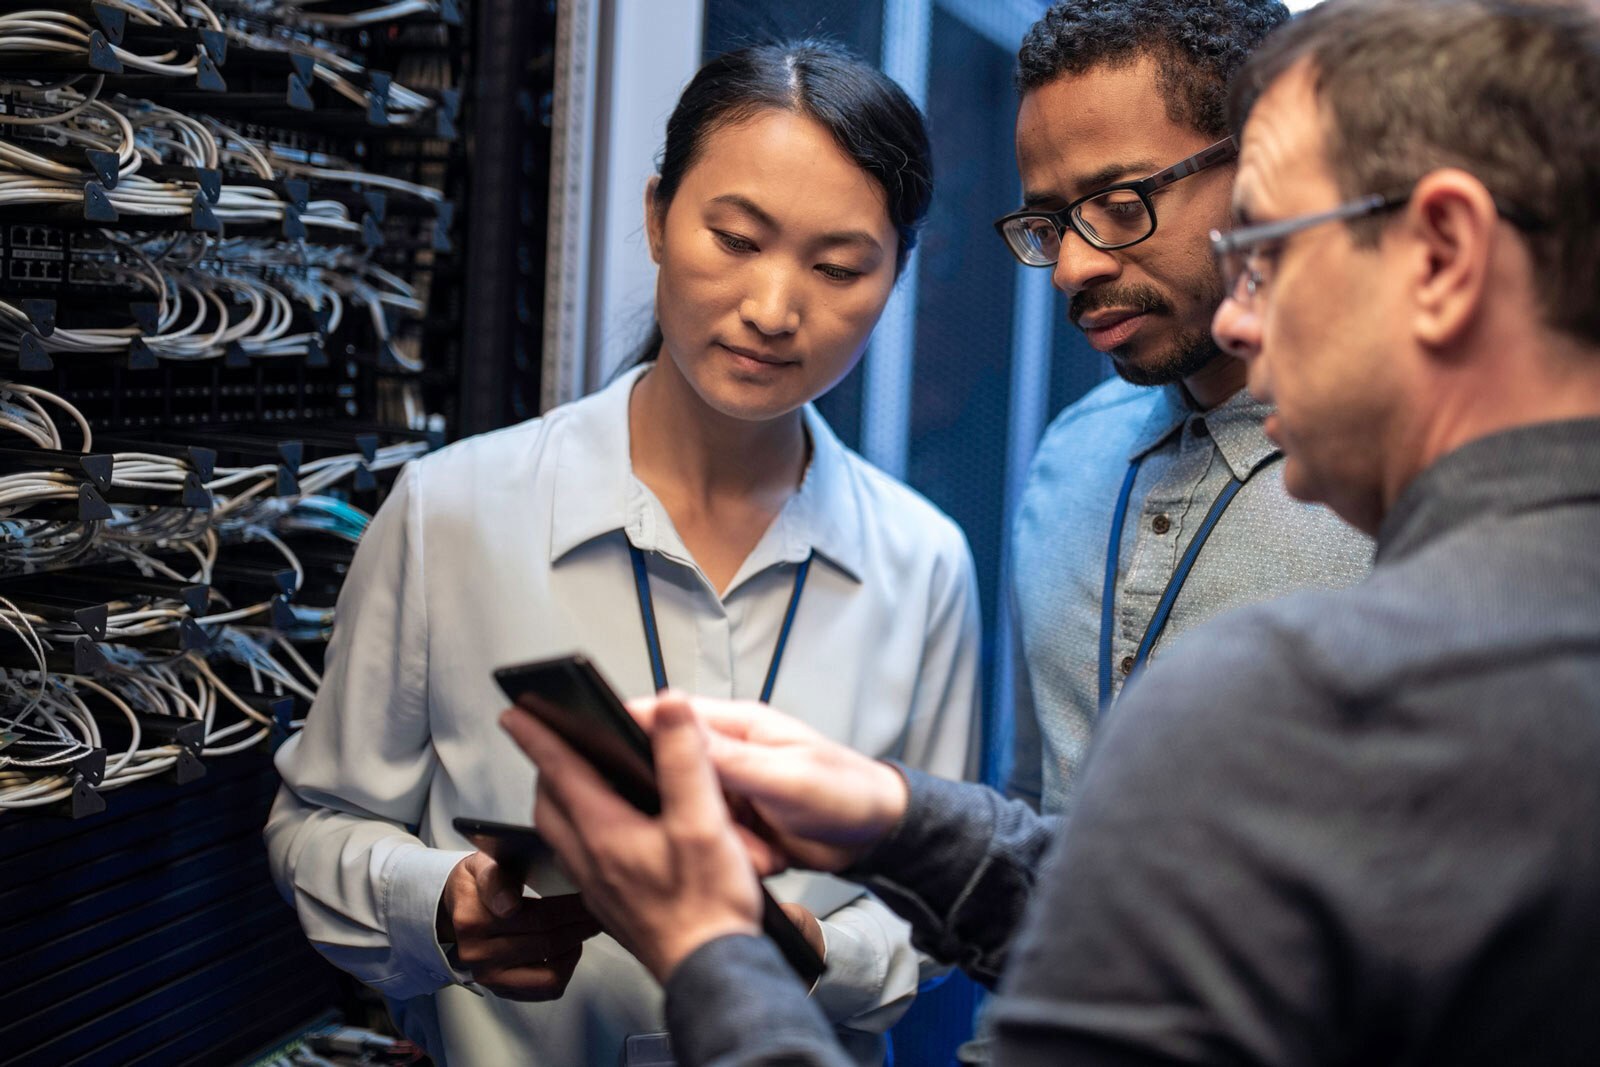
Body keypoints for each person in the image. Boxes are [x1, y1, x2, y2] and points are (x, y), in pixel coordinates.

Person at [503, 0, 1600, 1063]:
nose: (1239, 313)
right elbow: (1185, 931)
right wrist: (900, 821)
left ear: (1446, 253)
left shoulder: (1316, 688)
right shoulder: (1079, 461)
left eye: (1267, 245)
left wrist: (706, 944)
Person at [264, 41, 982, 1067]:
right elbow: (315, 825)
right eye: (735, 238)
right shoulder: (453, 511)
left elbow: (936, 903)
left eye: (837, 266)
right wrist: (444, 906)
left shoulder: (923, 563)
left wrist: (824, 951)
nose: (775, 308)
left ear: (894, 275)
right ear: (656, 215)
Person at [999, 0, 1371, 814]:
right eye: (1051, 224)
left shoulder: (1391, 484)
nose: (1070, 268)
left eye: (1121, 205)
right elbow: (1032, 797)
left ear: (1264, 167)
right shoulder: (1068, 456)